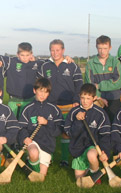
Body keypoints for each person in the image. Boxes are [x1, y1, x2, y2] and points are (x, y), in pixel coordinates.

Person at [38, 39, 83, 167]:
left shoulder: (72, 65)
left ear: (63, 50)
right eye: (52, 50)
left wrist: (76, 100)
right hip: (50, 105)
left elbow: (79, 85)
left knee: (65, 133)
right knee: (48, 131)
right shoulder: (44, 66)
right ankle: (48, 159)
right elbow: (40, 84)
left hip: (68, 105)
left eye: (58, 50)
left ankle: (64, 159)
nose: (55, 53)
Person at [64, 83, 110, 183]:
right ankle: (88, 168)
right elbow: (70, 133)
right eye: (82, 98)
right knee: (79, 180)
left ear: (94, 98)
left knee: (91, 155)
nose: (85, 101)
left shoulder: (100, 113)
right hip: (77, 147)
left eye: (88, 98)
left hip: (93, 147)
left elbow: (105, 135)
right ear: (79, 97)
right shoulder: (74, 112)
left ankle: (95, 174)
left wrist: (105, 151)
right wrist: (78, 121)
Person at [18, 78, 63, 178]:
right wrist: (25, 137)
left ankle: (32, 164)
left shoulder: (54, 109)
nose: (42, 95)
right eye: (40, 91)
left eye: (46, 92)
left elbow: (58, 130)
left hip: (47, 144)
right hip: (32, 142)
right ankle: (32, 160)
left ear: (48, 93)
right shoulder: (28, 109)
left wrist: (47, 122)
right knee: (34, 153)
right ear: (35, 91)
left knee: (42, 177)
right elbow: (22, 127)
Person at [85, 35, 121, 122]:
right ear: (96, 47)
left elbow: (117, 82)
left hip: (114, 99)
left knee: (113, 124)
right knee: (96, 124)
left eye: (105, 48)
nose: (102, 51)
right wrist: (99, 97)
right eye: (100, 48)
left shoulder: (115, 62)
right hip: (97, 100)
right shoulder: (91, 64)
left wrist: (99, 85)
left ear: (110, 48)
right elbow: (90, 84)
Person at [5, 42, 44, 119]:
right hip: (14, 100)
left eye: (27, 55)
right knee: (12, 122)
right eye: (22, 55)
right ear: (17, 54)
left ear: (31, 54)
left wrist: (66, 59)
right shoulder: (11, 62)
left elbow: (50, 62)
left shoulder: (36, 64)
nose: (25, 58)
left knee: (28, 122)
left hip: (30, 99)